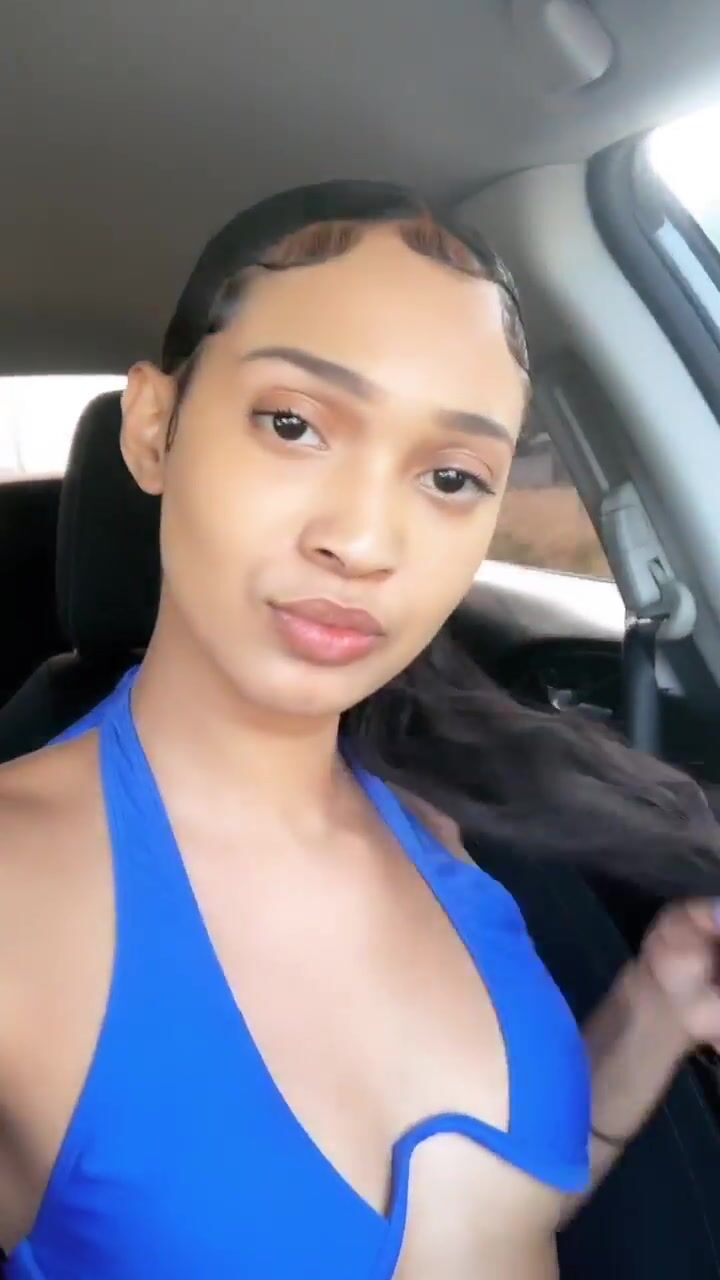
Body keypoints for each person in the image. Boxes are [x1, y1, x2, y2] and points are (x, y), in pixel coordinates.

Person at [0, 180, 718, 1280]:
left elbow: (492, 1220)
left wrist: (656, 1007)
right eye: (293, 423)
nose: (367, 540)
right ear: (153, 429)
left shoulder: (439, 818)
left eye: (451, 476)